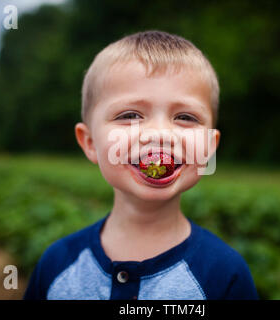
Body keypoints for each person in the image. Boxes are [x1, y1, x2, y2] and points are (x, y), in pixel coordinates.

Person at [23, 30, 258, 300]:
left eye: (185, 117)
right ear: (89, 142)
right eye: (130, 115)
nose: (159, 134)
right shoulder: (56, 265)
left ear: (209, 147)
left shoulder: (226, 274)